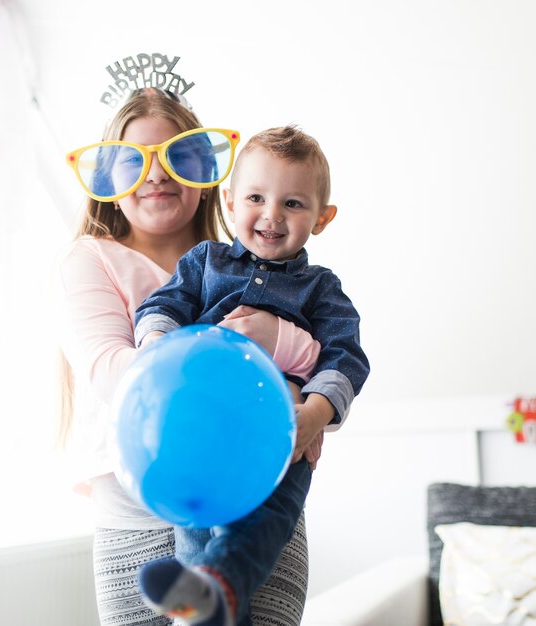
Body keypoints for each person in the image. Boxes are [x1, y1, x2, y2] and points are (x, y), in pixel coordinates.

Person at [56, 88, 328, 626]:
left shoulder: (258, 267)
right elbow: (114, 373)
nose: (156, 175)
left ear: (208, 177)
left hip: (252, 510)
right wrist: (266, 371)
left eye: (177, 158)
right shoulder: (89, 258)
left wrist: (289, 360)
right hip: (133, 520)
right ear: (109, 179)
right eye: (134, 161)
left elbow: (331, 371)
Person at [132, 125, 370, 626]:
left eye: (294, 204)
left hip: (280, 437)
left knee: (265, 521)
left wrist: (314, 414)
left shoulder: (321, 289)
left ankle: (213, 588)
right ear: (230, 199)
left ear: (322, 218)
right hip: (203, 435)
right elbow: (162, 306)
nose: (271, 215)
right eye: (257, 197)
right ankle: (208, 594)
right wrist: (156, 349)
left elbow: (346, 358)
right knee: (196, 533)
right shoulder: (205, 263)